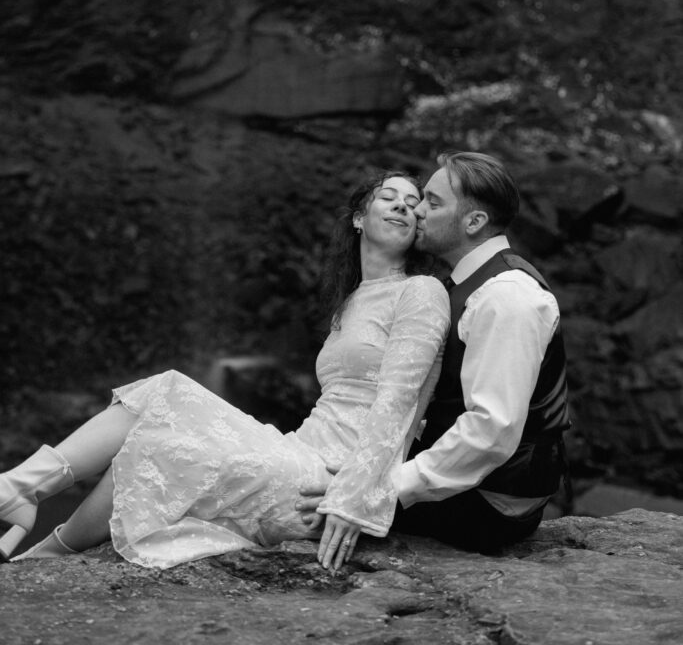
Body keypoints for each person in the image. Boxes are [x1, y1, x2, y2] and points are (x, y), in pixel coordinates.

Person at [0, 172, 450, 571]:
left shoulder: (421, 291)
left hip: (325, 484)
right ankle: (44, 547)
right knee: (158, 434)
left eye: (413, 205)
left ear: (417, 230)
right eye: (389, 197)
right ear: (358, 218)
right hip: (298, 452)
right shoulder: (351, 300)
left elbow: (400, 405)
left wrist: (354, 498)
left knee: (166, 390)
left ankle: (21, 496)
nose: (402, 207)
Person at [299, 151, 570, 553]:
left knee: (299, 503)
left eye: (432, 202)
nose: (417, 211)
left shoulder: (507, 295)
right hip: (466, 479)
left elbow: (491, 430)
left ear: (474, 222)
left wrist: (384, 489)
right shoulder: (459, 285)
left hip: (494, 503)